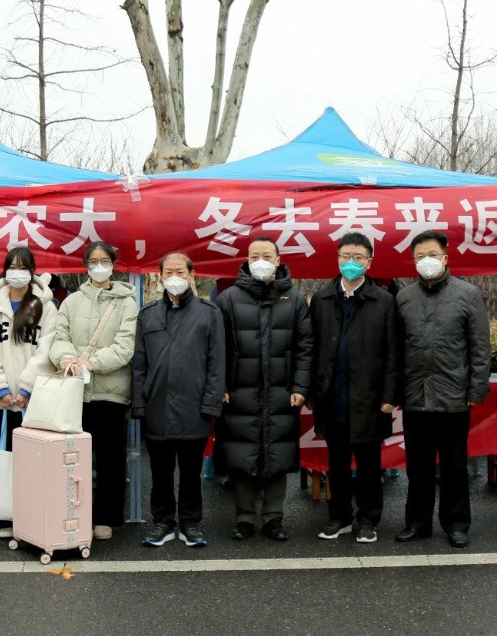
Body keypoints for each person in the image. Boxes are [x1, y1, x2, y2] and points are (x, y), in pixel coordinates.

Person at [394, 230, 490, 549]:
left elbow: (479, 348)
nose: (426, 261)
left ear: (446, 257)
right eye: (420, 256)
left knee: (454, 467)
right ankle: (417, 522)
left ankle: (457, 523)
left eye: (432, 255)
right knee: (417, 467)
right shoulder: (404, 298)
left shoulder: (468, 294)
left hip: (454, 398)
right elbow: (396, 351)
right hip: (415, 397)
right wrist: (396, 392)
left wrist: (476, 390)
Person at [215, 237, 313, 542]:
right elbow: (217, 348)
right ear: (246, 259)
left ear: (279, 259)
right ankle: (244, 517)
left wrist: (299, 385)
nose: (261, 260)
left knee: (277, 453)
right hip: (238, 390)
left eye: (266, 255)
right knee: (241, 454)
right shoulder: (228, 299)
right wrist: (220, 384)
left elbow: (305, 347)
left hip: (282, 390)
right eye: (255, 255)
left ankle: (274, 518)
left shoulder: (295, 300)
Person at [307, 233, 401, 545]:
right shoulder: (322, 299)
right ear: (337, 258)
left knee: (369, 464)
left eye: (358, 257)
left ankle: (369, 519)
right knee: (337, 461)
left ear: (369, 262)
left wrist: (390, 395)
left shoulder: (384, 300)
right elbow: (312, 347)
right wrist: (311, 390)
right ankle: (340, 516)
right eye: (346, 255)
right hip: (332, 396)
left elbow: (393, 352)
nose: (351, 262)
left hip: (370, 399)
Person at [131, 252, 225, 548]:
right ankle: (163, 522)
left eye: (179, 272)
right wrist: (139, 404)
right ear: (160, 276)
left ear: (191, 275)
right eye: (168, 272)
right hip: (157, 405)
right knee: (159, 471)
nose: (174, 277)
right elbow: (139, 365)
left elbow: (216, 362)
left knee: (190, 471)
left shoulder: (209, 314)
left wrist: (210, 405)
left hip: (193, 407)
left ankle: (190, 522)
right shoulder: (147, 315)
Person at [49, 242, 139, 541]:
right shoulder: (72, 302)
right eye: (94, 261)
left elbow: (126, 346)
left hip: (110, 393)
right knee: (72, 460)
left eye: (105, 261)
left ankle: (106, 517)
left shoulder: (128, 301)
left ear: (114, 264)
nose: (99, 266)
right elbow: (58, 338)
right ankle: (75, 515)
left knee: (111, 459)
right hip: (74, 391)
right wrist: (67, 359)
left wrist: (92, 362)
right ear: (85, 265)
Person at [0, 246, 58, 539]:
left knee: (34, 459)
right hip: (1, 401)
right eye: (13, 266)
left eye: (24, 267)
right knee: (5, 457)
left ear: (32, 271)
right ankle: (5, 517)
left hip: (33, 401)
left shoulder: (46, 307)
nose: (18, 272)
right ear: (5, 270)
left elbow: (47, 349)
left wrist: (26, 387)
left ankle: (33, 515)